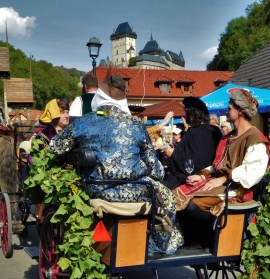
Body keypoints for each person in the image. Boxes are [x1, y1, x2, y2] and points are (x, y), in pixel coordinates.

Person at [49, 74, 184, 256]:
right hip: (138, 191)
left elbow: (55, 148)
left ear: (99, 98)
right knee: (168, 198)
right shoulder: (136, 125)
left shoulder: (83, 122)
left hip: (97, 190)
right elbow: (156, 170)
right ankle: (158, 246)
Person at [174, 89, 269, 249]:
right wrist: (203, 176)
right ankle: (190, 238)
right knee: (176, 195)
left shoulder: (254, 138)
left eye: (230, 107)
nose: (226, 110)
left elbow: (252, 171)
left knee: (191, 205)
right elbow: (219, 164)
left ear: (240, 111)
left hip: (237, 188)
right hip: (220, 183)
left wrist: (224, 178)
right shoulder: (229, 136)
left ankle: (207, 239)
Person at [154, 97, 223, 190]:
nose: (185, 115)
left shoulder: (196, 132)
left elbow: (195, 162)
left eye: (186, 113)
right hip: (202, 177)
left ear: (192, 115)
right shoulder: (213, 130)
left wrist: (173, 154)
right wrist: (163, 148)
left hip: (188, 181)